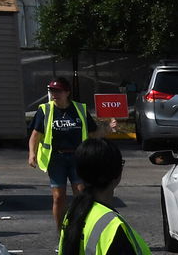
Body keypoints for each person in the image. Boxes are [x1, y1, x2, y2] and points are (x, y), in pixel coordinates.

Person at [28, 78, 114, 230]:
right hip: (56, 159)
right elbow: (35, 134)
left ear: (67, 92)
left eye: (58, 91)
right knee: (58, 197)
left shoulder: (79, 109)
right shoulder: (45, 110)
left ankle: (80, 231)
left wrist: (108, 128)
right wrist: (32, 154)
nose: (54, 94)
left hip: (78, 157)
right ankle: (61, 233)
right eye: (52, 91)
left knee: (80, 195)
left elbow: (93, 133)